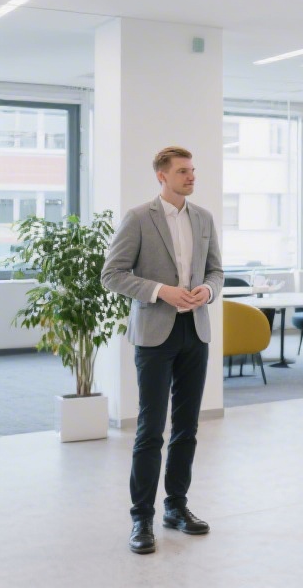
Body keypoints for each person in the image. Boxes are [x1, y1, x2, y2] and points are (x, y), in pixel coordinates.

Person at [101, 146, 224, 554]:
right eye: (184, 172)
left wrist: (208, 290)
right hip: (155, 333)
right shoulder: (138, 218)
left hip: (196, 331)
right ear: (162, 176)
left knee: (187, 427)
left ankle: (176, 506)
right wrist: (159, 291)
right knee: (150, 429)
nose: (192, 177)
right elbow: (112, 275)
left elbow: (216, 270)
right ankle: (141, 519)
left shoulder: (203, 218)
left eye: (193, 171)